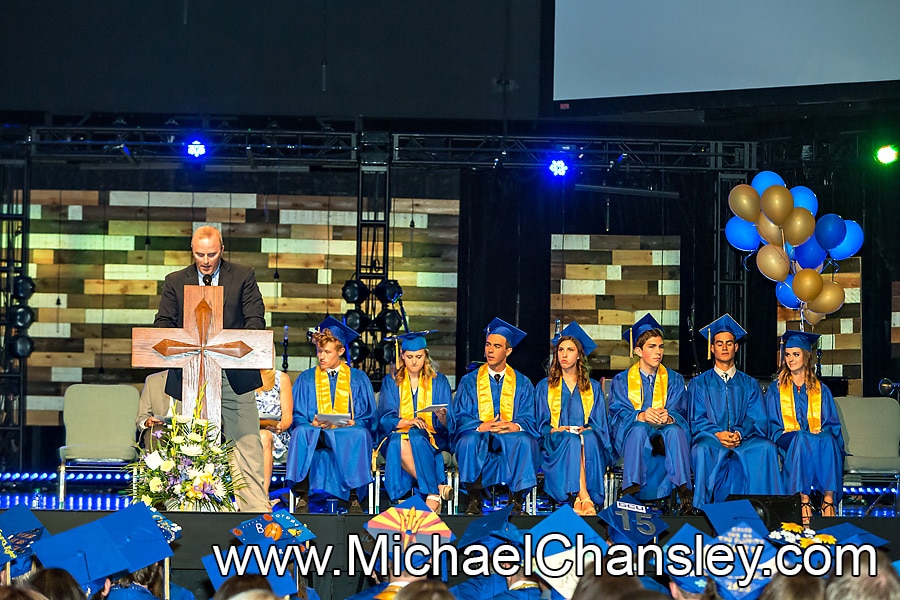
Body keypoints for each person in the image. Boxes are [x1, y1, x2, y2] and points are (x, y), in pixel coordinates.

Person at [153, 224, 268, 512]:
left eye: (212, 254)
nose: (205, 261)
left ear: (222, 250)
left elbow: (256, 320)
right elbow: (162, 325)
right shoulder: (175, 280)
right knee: (186, 448)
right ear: (191, 251)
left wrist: (225, 344)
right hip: (191, 378)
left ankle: (255, 515)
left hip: (234, 375)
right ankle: (187, 513)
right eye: (200, 254)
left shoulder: (243, 276)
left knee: (247, 447)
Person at [687, 314, 782, 510]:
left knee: (767, 448)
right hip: (711, 438)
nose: (724, 347)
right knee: (703, 450)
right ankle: (703, 510)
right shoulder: (699, 384)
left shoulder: (749, 383)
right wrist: (717, 434)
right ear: (712, 348)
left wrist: (739, 433)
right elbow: (697, 419)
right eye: (719, 343)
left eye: (729, 343)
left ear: (736, 347)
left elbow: (757, 418)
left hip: (744, 439)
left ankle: (766, 511)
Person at [285, 316, 377, 514]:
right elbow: (298, 415)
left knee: (360, 433)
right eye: (319, 351)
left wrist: (354, 421)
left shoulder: (358, 378)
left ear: (341, 351)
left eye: (327, 352)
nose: (321, 357)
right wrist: (312, 422)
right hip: (316, 433)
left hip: (346, 432)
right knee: (302, 431)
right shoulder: (306, 378)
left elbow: (369, 416)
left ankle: (353, 499)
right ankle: (303, 497)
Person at [450, 318, 540, 516]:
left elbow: (529, 415)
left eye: (497, 346)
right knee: (469, 440)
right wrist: (480, 426)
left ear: (508, 351)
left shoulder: (523, 382)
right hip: (480, 432)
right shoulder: (469, 381)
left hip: (509, 434)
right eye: (488, 345)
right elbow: (461, 414)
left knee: (524, 440)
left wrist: (515, 426)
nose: (490, 350)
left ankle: (516, 502)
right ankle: (475, 500)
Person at [608, 313, 692, 511]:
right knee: (638, 430)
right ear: (638, 350)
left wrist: (670, 417)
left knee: (676, 431)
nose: (658, 352)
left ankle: (684, 494)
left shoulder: (674, 379)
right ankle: (631, 491)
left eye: (661, 346)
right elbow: (617, 413)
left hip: (664, 438)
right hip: (634, 435)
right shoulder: (621, 380)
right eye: (651, 347)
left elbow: (681, 411)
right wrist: (640, 416)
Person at [765, 330, 845, 526]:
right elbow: (772, 423)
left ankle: (828, 499)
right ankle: (803, 499)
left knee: (828, 440)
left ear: (806, 357)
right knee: (801, 437)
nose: (790, 359)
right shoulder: (776, 389)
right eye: (788, 354)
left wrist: (824, 431)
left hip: (814, 438)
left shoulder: (821, 389)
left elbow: (831, 424)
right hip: (786, 438)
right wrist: (786, 432)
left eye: (796, 354)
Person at [535, 321, 614, 516]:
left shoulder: (593, 387)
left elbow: (599, 424)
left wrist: (588, 429)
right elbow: (540, 424)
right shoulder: (544, 386)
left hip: (586, 441)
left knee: (584, 439)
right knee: (570, 440)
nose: (563, 354)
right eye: (560, 349)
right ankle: (584, 496)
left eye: (569, 350)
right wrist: (554, 430)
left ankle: (579, 498)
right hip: (555, 441)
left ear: (578, 354)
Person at [376, 331, 453, 512]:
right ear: (402, 356)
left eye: (418, 356)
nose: (414, 361)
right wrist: (408, 421)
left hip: (432, 437)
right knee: (398, 440)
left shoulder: (439, 381)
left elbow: (450, 421)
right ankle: (435, 490)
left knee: (416, 437)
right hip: (397, 434)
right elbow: (385, 418)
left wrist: (443, 418)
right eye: (409, 357)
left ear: (425, 355)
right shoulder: (391, 381)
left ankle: (405, 499)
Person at [255, 368, 293, 499]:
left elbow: (287, 417)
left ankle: (262, 496)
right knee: (259, 436)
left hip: (275, 433)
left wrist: (280, 426)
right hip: (247, 429)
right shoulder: (242, 376)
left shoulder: (281, 378)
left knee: (264, 437)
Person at [135, 370, 180, 450]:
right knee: (155, 432)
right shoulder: (152, 380)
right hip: (159, 428)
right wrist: (146, 422)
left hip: (187, 429)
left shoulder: (199, 379)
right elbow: (141, 417)